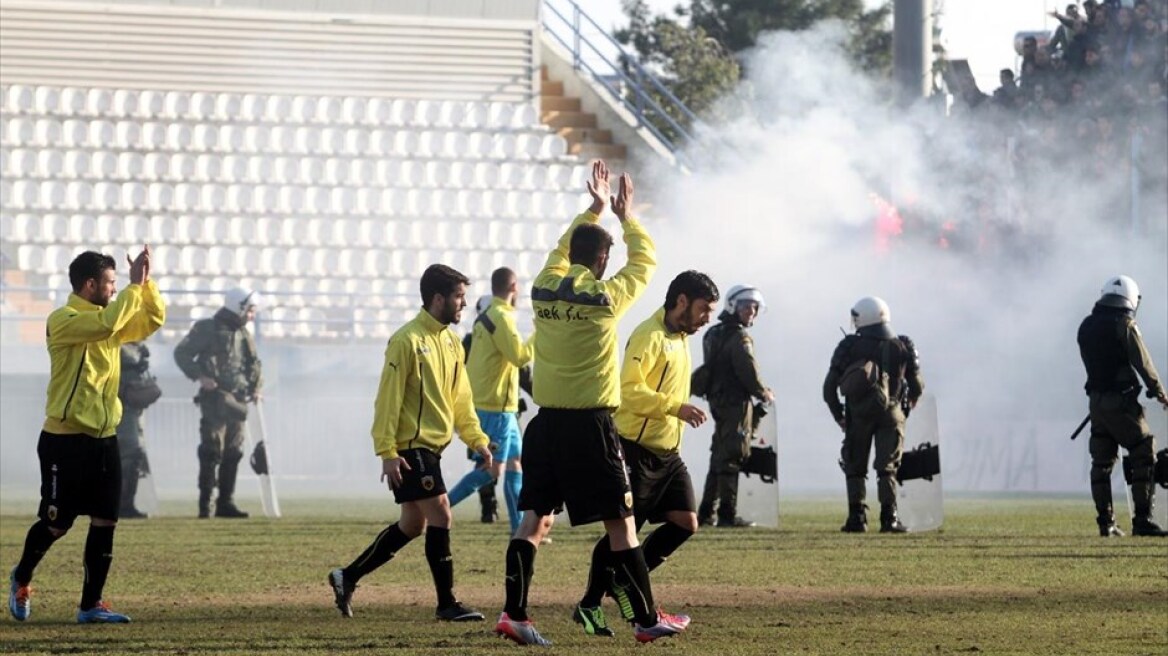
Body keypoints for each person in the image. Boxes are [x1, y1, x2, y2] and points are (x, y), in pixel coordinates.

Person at [494, 160, 686, 647]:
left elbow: (561, 249)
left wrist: (595, 210)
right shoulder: (605, 298)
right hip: (591, 427)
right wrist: (626, 216)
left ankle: (514, 614)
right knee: (622, 525)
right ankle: (645, 621)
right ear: (602, 262)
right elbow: (645, 263)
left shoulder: (540, 287)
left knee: (533, 521)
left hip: (545, 425)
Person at [8, 246, 164, 624]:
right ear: (90, 284)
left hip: (103, 438)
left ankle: (90, 605)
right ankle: (21, 577)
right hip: (64, 439)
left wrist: (146, 286)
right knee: (57, 523)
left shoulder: (109, 317)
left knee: (106, 520)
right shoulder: (63, 319)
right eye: (109, 283)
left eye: (116, 283)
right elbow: (109, 323)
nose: (114, 289)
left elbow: (153, 320)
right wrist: (131, 288)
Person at [328, 264, 493, 621]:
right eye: (459, 297)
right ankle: (447, 603)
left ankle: (347, 576)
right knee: (441, 513)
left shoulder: (451, 342)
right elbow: (387, 398)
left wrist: (477, 439)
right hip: (409, 448)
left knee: (412, 525)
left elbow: (461, 399)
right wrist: (387, 452)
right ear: (438, 299)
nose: (463, 305)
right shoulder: (406, 341)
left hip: (432, 448)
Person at [573, 270, 719, 638]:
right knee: (625, 532)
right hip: (634, 449)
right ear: (682, 301)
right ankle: (591, 602)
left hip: (668, 454)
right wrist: (676, 407)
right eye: (704, 309)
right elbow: (629, 390)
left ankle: (622, 585)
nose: (707, 319)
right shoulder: (648, 335)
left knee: (687, 522)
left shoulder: (682, 337)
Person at [822, 296, 924, 534]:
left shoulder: (848, 347)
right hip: (892, 414)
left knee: (855, 466)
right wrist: (908, 402)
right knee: (887, 467)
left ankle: (856, 518)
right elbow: (917, 385)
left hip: (858, 416)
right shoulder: (903, 345)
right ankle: (890, 519)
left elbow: (828, 389)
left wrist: (839, 415)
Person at [1077, 275, 1168, 537]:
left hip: (1096, 403)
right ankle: (1143, 521)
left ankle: (1106, 523)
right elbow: (1143, 362)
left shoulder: (1086, 326)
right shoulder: (1125, 325)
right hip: (1121, 403)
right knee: (1143, 450)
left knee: (1102, 461)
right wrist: (1159, 393)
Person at [447, 269, 534, 535]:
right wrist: (541, 334)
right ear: (514, 287)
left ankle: (519, 529)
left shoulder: (487, 317)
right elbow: (520, 357)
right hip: (495, 407)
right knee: (491, 469)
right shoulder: (501, 317)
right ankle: (440, 507)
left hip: (504, 408)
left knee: (515, 463)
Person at [173, 287, 264, 519]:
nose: (252, 315)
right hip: (214, 400)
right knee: (211, 451)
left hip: (238, 401)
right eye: (250, 310)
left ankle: (226, 503)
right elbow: (182, 353)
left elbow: (253, 365)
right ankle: (206, 505)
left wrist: (256, 388)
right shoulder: (206, 328)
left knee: (234, 452)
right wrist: (200, 377)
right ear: (239, 307)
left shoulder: (244, 333)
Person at [695, 284, 774, 528]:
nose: (751, 311)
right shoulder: (740, 338)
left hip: (717, 401)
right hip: (735, 404)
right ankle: (727, 515)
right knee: (732, 455)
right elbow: (747, 371)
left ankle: (706, 513)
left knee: (718, 456)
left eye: (754, 307)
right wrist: (764, 393)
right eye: (746, 306)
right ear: (733, 306)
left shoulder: (713, 333)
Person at [116, 341, 162, 519]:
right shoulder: (109, 340)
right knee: (130, 453)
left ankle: (125, 503)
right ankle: (122, 505)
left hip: (133, 409)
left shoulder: (135, 345)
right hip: (120, 407)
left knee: (133, 456)